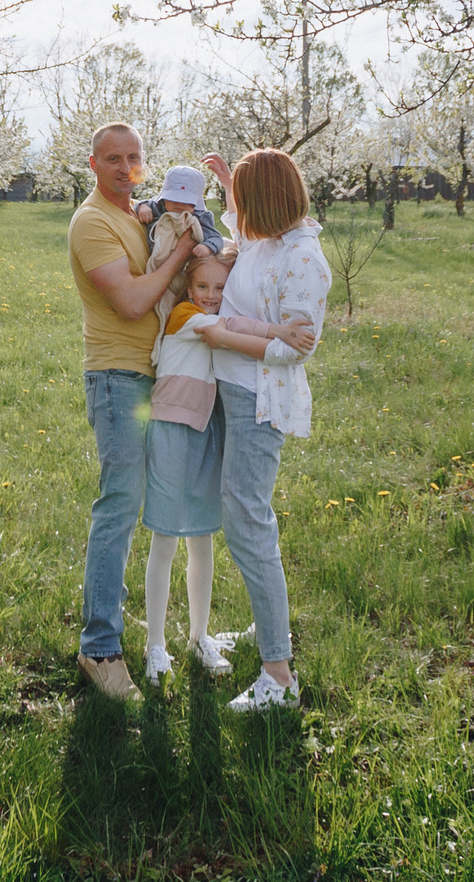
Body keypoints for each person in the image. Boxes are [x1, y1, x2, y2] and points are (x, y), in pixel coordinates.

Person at [67, 121, 206, 700]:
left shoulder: (137, 215)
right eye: (113, 159)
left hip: (157, 375)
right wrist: (181, 256)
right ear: (93, 164)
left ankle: (174, 635)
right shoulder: (93, 222)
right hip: (118, 378)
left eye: (134, 159)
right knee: (119, 506)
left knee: (154, 503)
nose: (125, 169)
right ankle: (100, 648)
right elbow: (128, 302)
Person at [139, 250, 315, 684]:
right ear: (187, 287)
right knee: (165, 536)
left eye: (220, 288)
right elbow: (229, 328)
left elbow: (231, 320)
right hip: (172, 426)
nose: (211, 296)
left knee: (202, 536)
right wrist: (278, 332)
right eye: (203, 286)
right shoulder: (185, 315)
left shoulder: (206, 309)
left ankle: (200, 637)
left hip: (206, 427)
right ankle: (155, 645)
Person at [202, 146, 329, 713]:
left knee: (247, 520)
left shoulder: (304, 257)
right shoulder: (267, 239)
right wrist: (231, 181)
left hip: (260, 401)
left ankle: (278, 675)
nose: (239, 213)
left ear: (268, 204)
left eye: (247, 201)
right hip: (233, 392)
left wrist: (222, 332)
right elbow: (242, 229)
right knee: (245, 517)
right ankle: (268, 625)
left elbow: (290, 349)